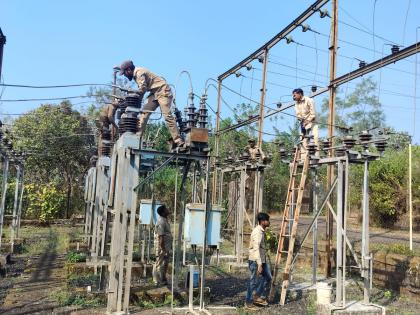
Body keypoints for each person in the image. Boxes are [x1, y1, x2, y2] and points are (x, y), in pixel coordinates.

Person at [119, 60, 184, 148]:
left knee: (167, 116)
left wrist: (131, 91)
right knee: (144, 113)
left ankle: (178, 140)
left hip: (163, 91)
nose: (125, 76)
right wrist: (136, 108)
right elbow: (141, 93)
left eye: (125, 73)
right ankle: (137, 138)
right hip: (154, 93)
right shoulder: (135, 75)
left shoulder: (139, 73)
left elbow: (142, 90)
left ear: (129, 70)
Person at [245, 212, 272, 310]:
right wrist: (259, 264)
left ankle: (257, 296)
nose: (269, 222)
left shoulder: (262, 231)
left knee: (268, 277)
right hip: (255, 261)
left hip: (262, 260)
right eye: (267, 220)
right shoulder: (257, 232)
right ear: (262, 221)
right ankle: (248, 302)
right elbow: (256, 248)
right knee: (253, 281)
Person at [292, 88, 319, 154]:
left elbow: (313, 114)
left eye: (295, 95)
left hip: (312, 123)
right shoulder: (296, 104)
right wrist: (302, 123)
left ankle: (316, 156)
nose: (293, 97)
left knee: (314, 138)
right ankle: (304, 159)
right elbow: (298, 115)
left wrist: (306, 122)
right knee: (303, 141)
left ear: (300, 94)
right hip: (303, 124)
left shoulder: (309, 100)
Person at [153, 205, 172, 285]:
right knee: (159, 263)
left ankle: (163, 279)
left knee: (165, 264)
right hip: (161, 247)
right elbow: (161, 236)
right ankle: (156, 281)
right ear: (163, 212)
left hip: (166, 247)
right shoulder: (161, 221)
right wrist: (162, 248)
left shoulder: (165, 220)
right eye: (166, 209)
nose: (168, 209)